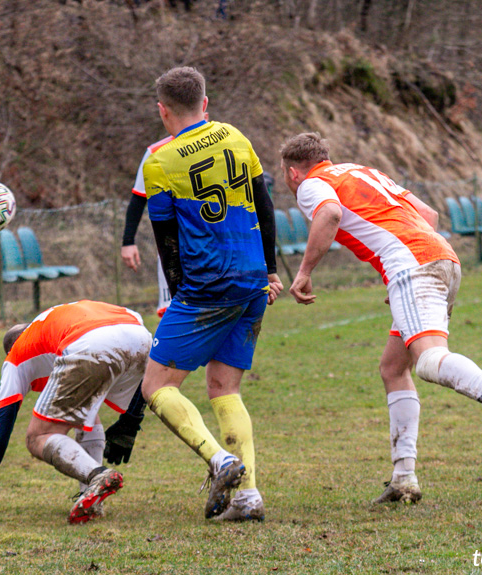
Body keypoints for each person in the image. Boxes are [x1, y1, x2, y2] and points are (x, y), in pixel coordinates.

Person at [278, 132, 482, 504]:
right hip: (441, 257)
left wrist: (303, 272)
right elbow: (428, 215)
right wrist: (405, 279)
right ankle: (404, 479)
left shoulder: (311, 184)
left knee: (429, 361)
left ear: (292, 173)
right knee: (393, 368)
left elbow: (330, 214)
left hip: (414, 265)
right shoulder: (363, 171)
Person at [141, 66, 282, 522]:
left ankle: (221, 461)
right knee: (226, 387)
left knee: (156, 386)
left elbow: (166, 239)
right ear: (205, 102)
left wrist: (181, 292)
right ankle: (248, 497)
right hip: (253, 279)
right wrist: (272, 270)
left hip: (207, 288)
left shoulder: (160, 162)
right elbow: (264, 203)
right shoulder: (235, 136)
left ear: (163, 111)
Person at [0, 300, 152, 524]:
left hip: (89, 341)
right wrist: (131, 422)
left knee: (37, 437)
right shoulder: (53, 323)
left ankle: (97, 475)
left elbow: (0, 431)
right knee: (83, 412)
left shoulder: (18, 354)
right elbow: (144, 367)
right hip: (139, 335)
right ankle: (91, 498)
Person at [121, 135, 174, 317]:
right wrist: (128, 241)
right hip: (173, 250)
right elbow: (138, 198)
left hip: (214, 248)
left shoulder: (221, 143)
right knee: (172, 313)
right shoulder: (156, 153)